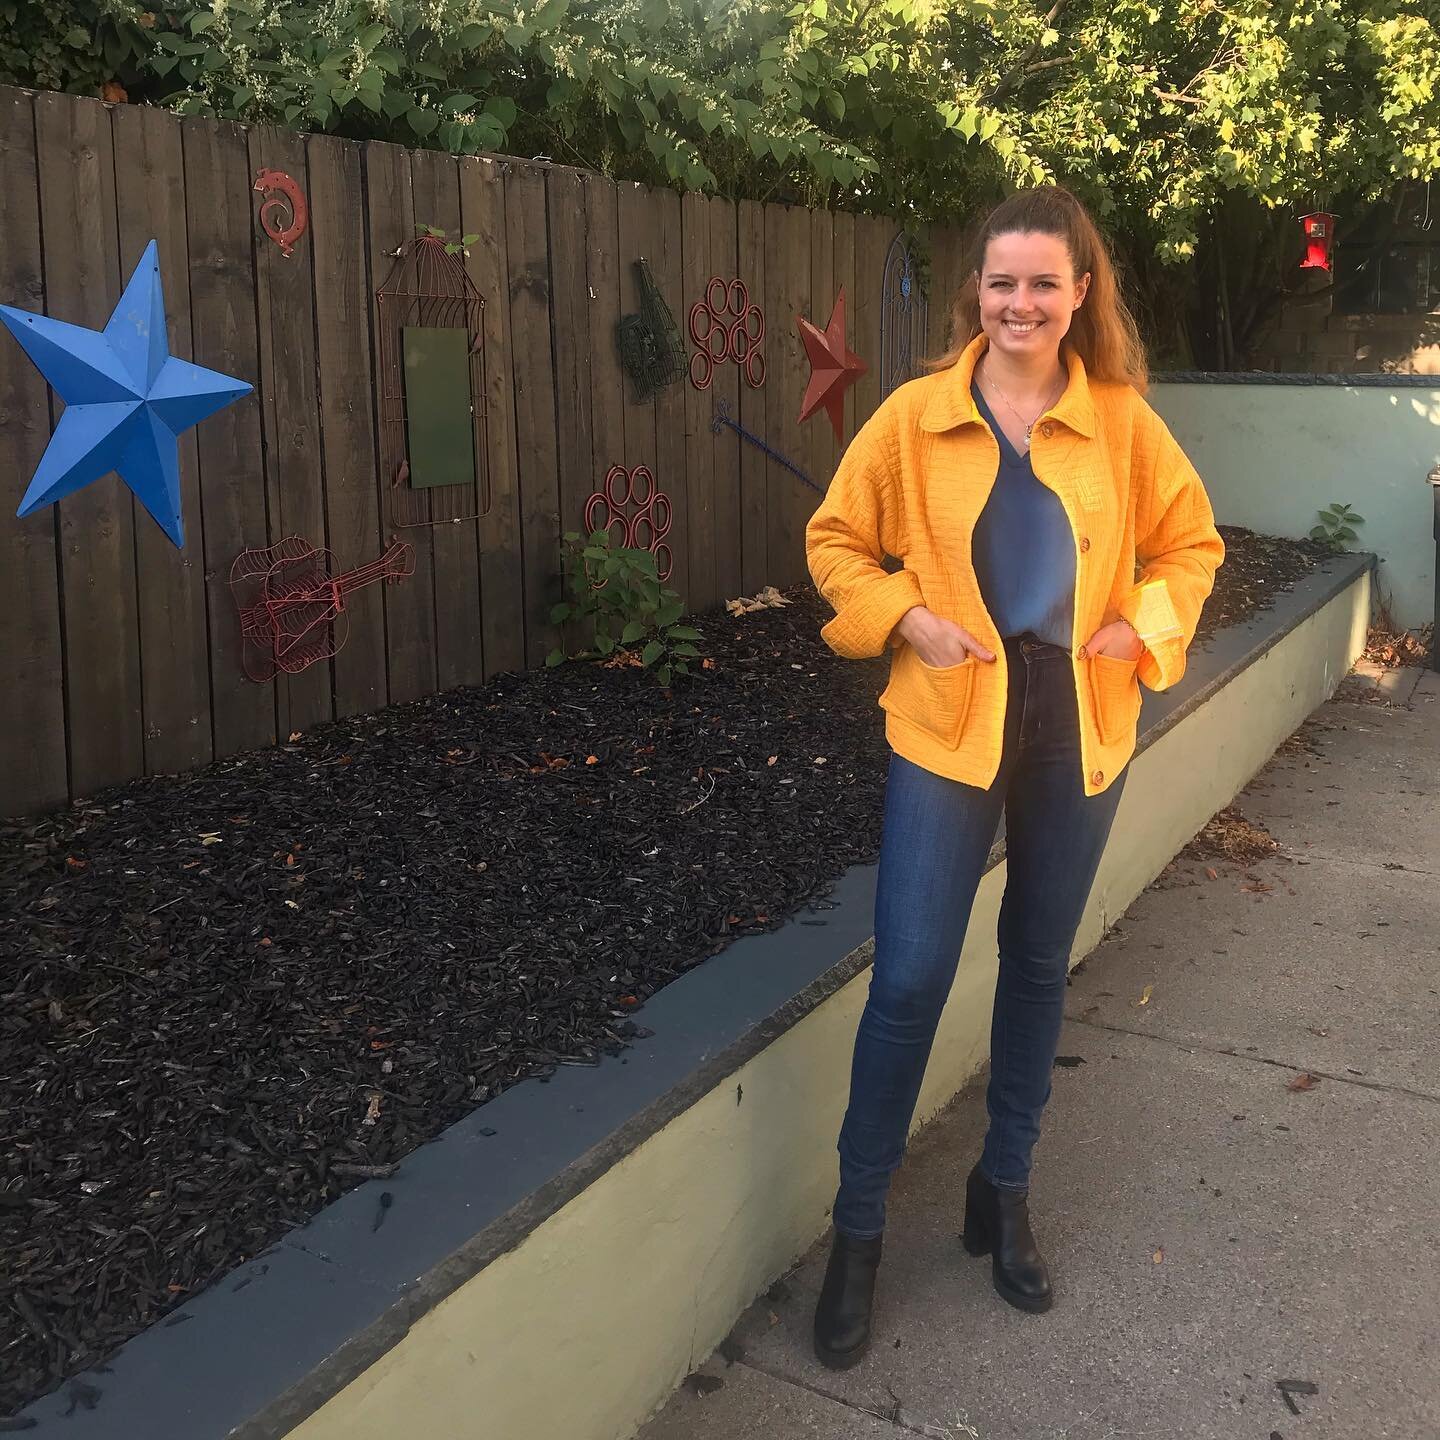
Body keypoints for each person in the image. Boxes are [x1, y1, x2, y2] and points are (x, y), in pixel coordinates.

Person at [804, 185, 1224, 1369]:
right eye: (1002, 283)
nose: (1022, 303)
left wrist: (1140, 627)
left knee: (1038, 961)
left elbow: (1191, 547)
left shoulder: (1127, 423)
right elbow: (836, 541)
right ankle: (860, 1233)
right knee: (911, 979)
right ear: (974, 295)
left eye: (1046, 282)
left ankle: (1004, 1190)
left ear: (1081, 293)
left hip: (1078, 714)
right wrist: (904, 617)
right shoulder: (914, 417)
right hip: (950, 711)